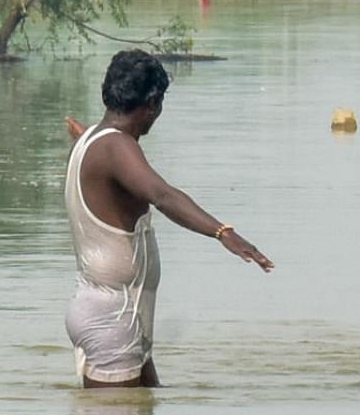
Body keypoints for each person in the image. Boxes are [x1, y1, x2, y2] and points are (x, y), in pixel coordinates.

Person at [65, 49, 273, 388]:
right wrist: (222, 232)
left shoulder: (94, 141)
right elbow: (163, 195)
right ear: (152, 103)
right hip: (112, 318)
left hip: (113, 312)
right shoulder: (116, 146)